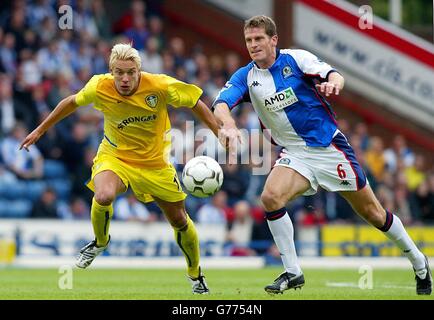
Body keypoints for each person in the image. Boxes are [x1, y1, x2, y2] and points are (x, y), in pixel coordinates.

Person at [213, 15, 432, 295]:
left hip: (329, 149)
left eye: (258, 39)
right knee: (270, 197)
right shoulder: (246, 76)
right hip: (295, 153)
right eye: (249, 40)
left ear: (273, 40)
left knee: (373, 213)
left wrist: (334, 83)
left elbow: (334, 74)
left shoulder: (295, 60)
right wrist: (229, 125)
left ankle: (418, 261)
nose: (253, 45)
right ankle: (293, 272)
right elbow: (220, 104)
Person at [20, 43, 221, 295]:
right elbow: (71, 102)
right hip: (115, 156)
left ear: (139, 71)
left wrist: (218, 130)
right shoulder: (99, 86)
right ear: (111, 71)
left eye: (130, 72)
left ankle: (195, 275)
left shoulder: (159, 85)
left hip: (155, 164)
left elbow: (194, 101)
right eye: (119, 72)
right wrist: (40, 130)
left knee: (179, 220)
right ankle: (100, 241)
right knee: (103, 195)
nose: (124, 79)